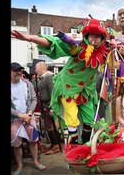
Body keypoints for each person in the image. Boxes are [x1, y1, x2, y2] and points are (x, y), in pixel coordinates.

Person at [11, 17, 113, 145]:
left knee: (90, 120)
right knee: (72, 120)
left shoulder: (104, 52)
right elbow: (55, 43)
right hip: (68, 88)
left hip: (86, 91)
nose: (94, 38)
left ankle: (86, 146)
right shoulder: (77, 47)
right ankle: (73, 149)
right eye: (92, 35)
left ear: (102, 38)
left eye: (98, 36)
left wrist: (114, 48)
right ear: (87, 35)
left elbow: (117, 56)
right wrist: (31, 38)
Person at [11, 62, 46, 174]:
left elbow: (33, 99)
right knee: (17, 144)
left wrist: (30, 112)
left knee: (33, 141)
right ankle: (20, 166)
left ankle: (35, 162)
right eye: (16, 70)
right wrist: (20, 115)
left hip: (29, 118)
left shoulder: (27, 83)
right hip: (15, 120)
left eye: (20, 70)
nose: (19, 72)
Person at [35, 61, 61, 155]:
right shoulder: (42, 78)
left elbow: (53, 93)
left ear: (41, 68)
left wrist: (52, 108)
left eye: (36, 68)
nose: (35, 70)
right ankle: (53, 144)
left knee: (52, 126)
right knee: (48, 126)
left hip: (49, 105)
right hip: (44, 105)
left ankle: (56, 146)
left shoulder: (49, 77)